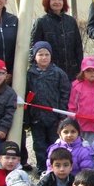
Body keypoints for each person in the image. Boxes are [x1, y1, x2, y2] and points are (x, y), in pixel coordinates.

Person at [26, 41, 71, 175]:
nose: (44, 57)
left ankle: (55, 167)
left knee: (54, 143)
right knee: (39, 144)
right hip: (36, 116)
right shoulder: (30, 74)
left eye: (47, 54)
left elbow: (65, 92)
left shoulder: (58, 73)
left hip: (54, 116)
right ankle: (41, 167)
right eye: (40, 54)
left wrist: (62, 113)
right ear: (35, 56)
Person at [31, 0, 83, 80]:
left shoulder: (71, 21)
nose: (57, 2)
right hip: (49, 73)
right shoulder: (41, 22)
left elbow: (78, 47)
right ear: (48, 1)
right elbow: (34, 49)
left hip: (72, 72)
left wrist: (81, 68)